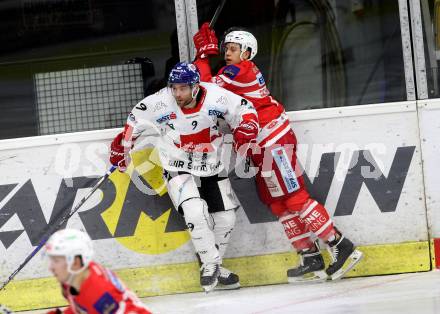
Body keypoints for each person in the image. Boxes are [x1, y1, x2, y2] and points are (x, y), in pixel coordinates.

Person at [192, 23, 363, 282]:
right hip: (260, 145)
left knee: (294, 197)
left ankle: (340, 243)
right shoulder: (236, 69)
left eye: (233, 48)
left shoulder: (239, 69)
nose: (227, 52)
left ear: (247, 53)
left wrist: (203, 57)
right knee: (277, 203)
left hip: (273, 139)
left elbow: (204, 90)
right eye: (226, 48)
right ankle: (310, 256)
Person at [109, 62, 259, 291]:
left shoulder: (215, 97)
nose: (177, 93)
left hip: (211, 165)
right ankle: (211, 264)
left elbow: (244, 108)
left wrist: (248, 126)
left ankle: (212, 264)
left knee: (226, 220)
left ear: (195, 86)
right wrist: (123, 146)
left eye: (183, 88)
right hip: (176, 164)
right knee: (195, 210)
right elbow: (135, 119)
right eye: (174, 88)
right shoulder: (160, 101)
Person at [44, 228, 151, 313]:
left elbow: (90, 303)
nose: (50, 267)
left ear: (75, 262)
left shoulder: (100, 295)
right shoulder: (75, 275)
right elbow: (82, 305)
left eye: (56, 261)